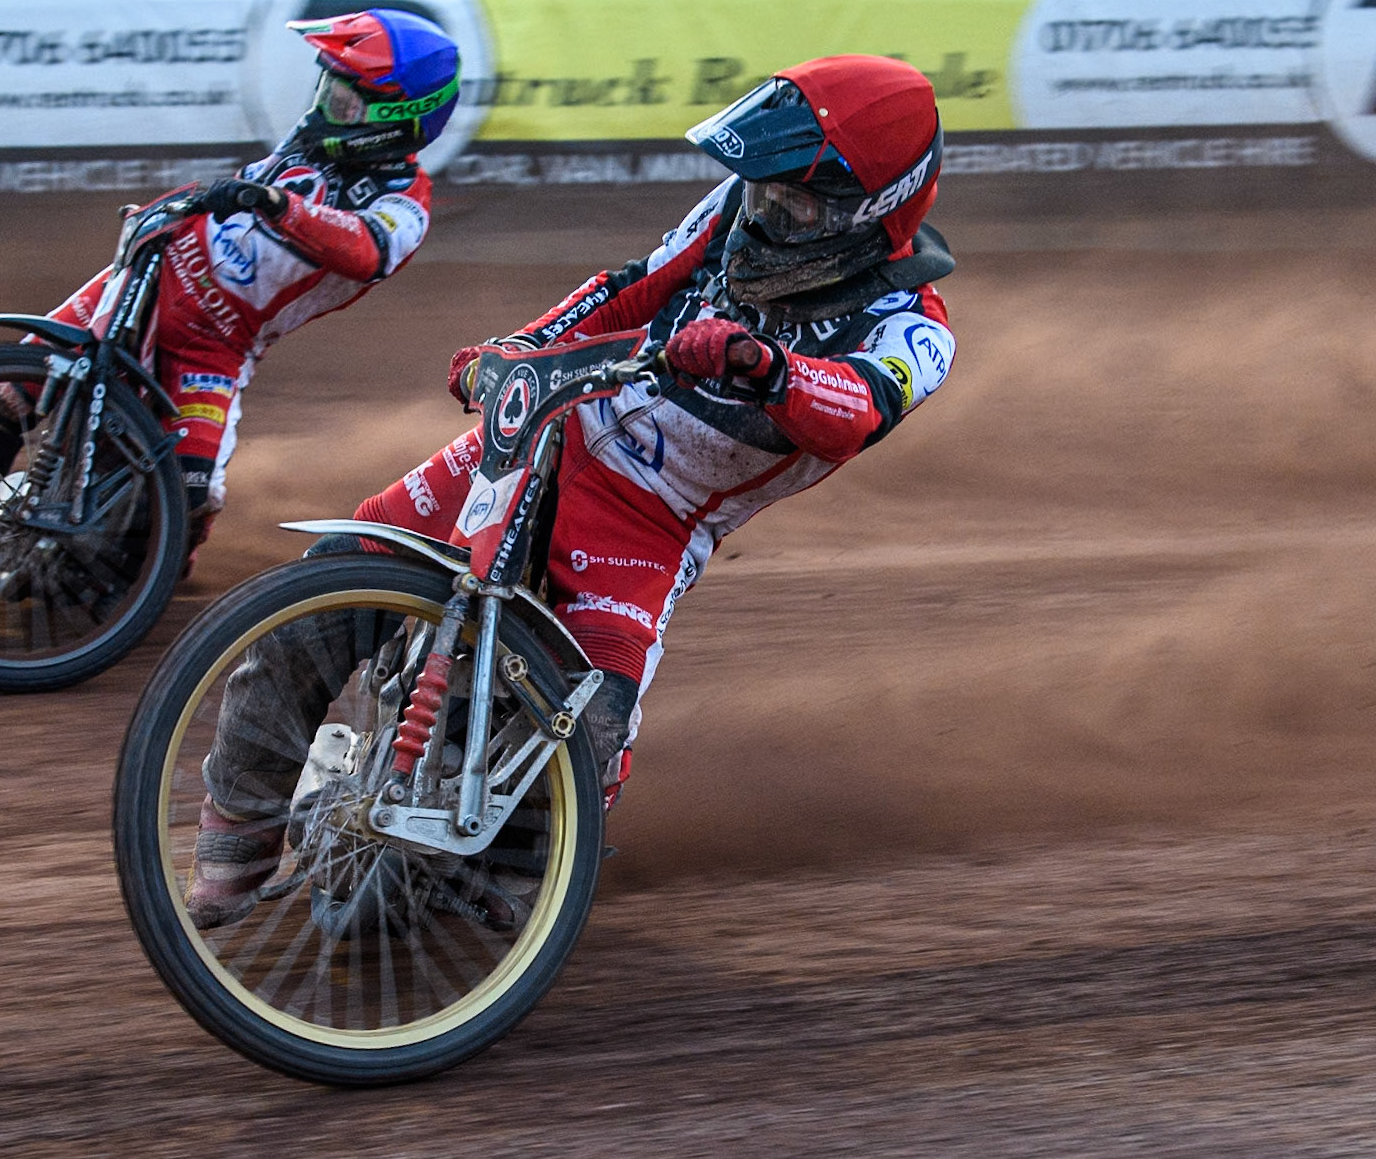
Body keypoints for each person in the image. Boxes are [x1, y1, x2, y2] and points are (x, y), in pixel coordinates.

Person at [188, 54, 958, 928]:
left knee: (580, 756)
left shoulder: (914, 331)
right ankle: (235, 835)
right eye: (760, 185)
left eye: (795, 198)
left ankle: (490, 885)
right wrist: (516, 347)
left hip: (652, 525)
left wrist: (766, 366)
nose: (765, 207)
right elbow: (632, 284)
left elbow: (855, 408)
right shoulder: (735, 210)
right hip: (551, 430)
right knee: (324, 588)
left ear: (871, 212)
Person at [0, 8, 462, 609]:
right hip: (151, 279)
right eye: (326, 88)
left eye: (345, 101)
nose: (325, 106)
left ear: (392, 122)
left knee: (188, 494)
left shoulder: (408, 206)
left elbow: (364, 249)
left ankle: (130, 572)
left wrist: (277, 204)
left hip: (215, 349)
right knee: (10, 392)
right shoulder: (312, 139)